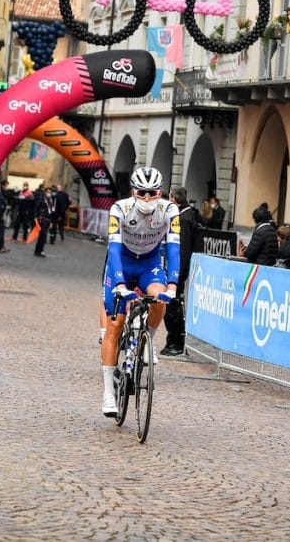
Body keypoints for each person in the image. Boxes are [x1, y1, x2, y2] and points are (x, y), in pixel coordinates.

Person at [99, 167, 179, 416]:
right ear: (133, 192)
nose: (146, 199)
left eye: (152, 193)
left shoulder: (170, 210)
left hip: (150, 264)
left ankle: (148, 341)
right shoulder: (119, 209)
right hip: (122, 261)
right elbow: (112, 249)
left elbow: (175, 249)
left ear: (160, 192)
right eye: (141, 193)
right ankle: (108, 394)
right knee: (114, 325)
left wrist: (174, 285)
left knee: (160, 298)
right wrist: (121, 285)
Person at [162, 186, 200, 357]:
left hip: (177, 272)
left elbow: (183, 250)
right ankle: (174, 341)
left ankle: (175, 343)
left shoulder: (184, 219)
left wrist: (176, 274)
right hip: (176, 270)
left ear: (175, 200)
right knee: (172, 307)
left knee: (173, 308)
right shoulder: (185, 215)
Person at [33, 185, 56, 257]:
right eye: (48, 192)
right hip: (42, 218)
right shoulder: (42, 199)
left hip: (48, 219)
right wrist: (36, 217)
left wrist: (51, 221)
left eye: (50, 192)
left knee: (42, 236)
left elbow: (52, 212)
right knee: (43, 235)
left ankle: (37, 250)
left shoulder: (51, 200)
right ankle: (40, 250)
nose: (49, 193)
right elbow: (36, 207)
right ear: (45, 192)